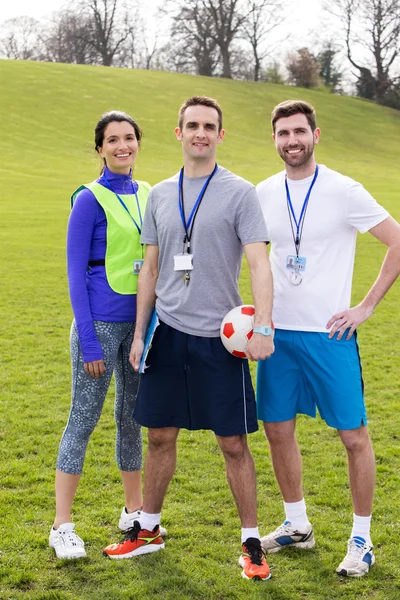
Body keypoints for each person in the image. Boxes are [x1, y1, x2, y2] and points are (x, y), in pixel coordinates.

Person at [103, 96, 275, 581]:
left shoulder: (240, 193)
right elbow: (151, 268)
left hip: (219, 340)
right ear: (178, 133)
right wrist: (140, 334)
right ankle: (149, 529)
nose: (201, 133)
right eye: (192, 125)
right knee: (159, 436)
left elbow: (260, 263)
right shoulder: (159, 194)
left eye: (210, 126)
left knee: (235, 444)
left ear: (221, 135)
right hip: (169, 335)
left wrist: (262, 325)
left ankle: (251, 542)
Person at [256, 100, 400, 577]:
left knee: (353, 437)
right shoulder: (263, 193)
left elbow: (397, 241)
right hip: (277, 335)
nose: (291, 140)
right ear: (274, 139)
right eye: (283, 133)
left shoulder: (344, 190)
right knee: (277, 430)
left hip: (329, 335)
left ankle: (362, 539)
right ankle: (297, 524)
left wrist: (366, 306)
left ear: (316, 135)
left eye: (299, 131)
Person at [50, 110, 166, 559]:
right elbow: (75, 276)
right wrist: (91, 341)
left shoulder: (151, 194)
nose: (123, 145)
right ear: (99, 148)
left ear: (138, 143)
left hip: (141, 325)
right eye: (113, 139)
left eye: (130, 138)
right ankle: (62, 525)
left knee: (130, 418)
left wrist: (149, 328)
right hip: (98, 324)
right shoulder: (88, 200)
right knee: (83, 417)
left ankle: (134, 511)